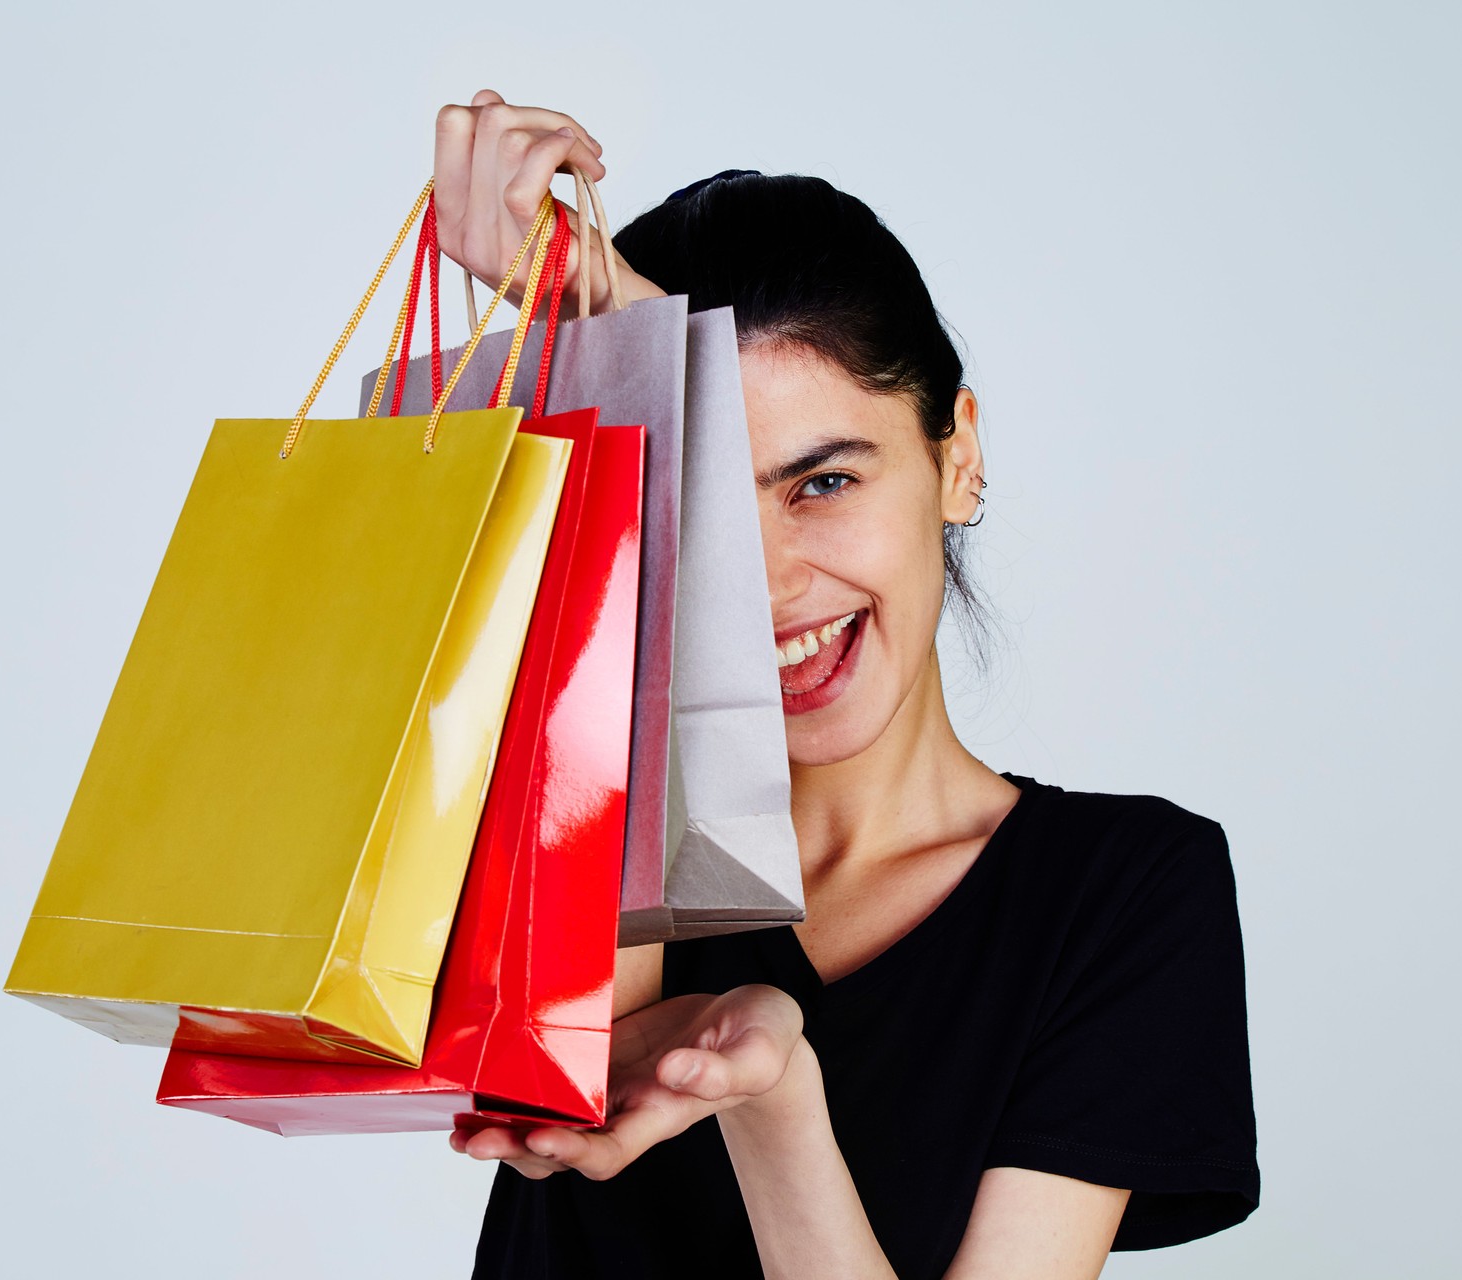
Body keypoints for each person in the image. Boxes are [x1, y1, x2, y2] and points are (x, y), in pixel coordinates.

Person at [431, 91, 1258, 1280]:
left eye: (821, 483)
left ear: (956, 457)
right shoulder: (601, 835)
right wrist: (609, 354)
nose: (764, 582)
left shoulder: (1120, 895)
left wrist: (769, 1085)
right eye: (705, 504)